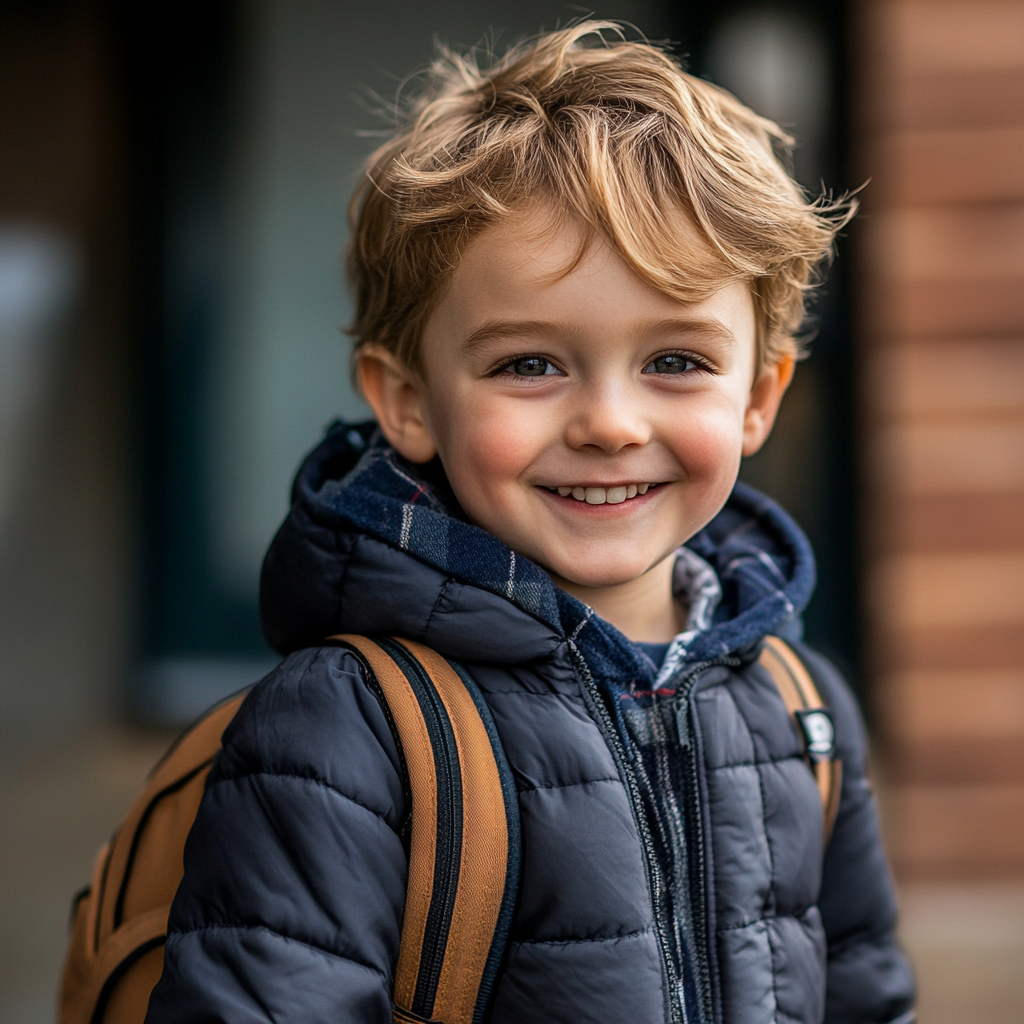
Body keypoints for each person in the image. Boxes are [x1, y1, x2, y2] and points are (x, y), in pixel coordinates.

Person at [146, 22, 915, 1024]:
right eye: (530, 364)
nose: (608, 423)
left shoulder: (802, 706)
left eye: (676, 360)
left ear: (758, 398)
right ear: (407, 398)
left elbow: (864, 996)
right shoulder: (348, 725)